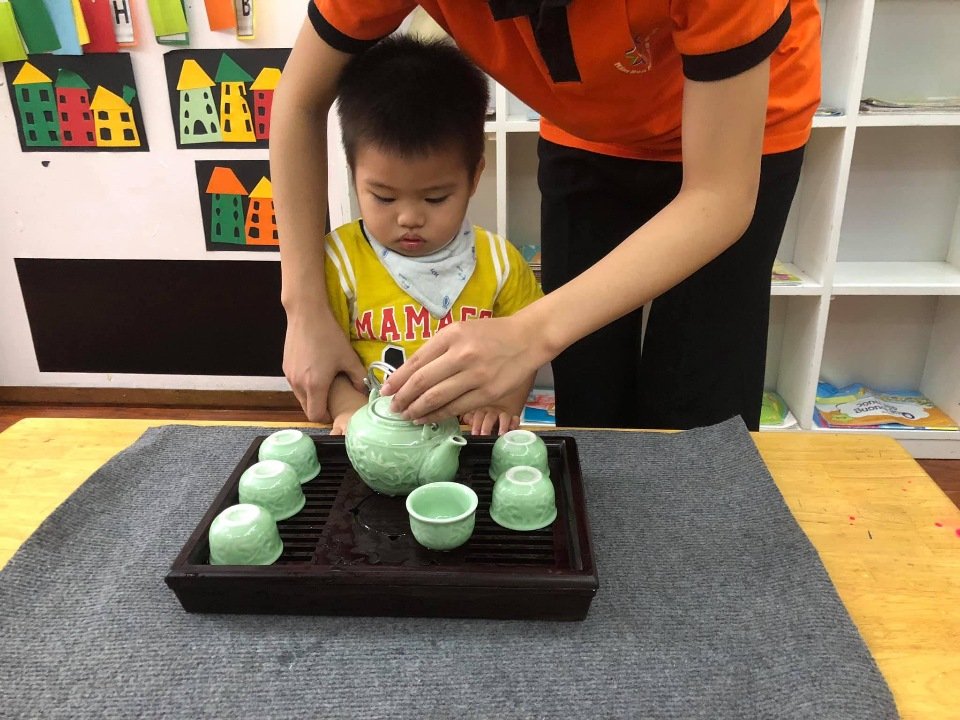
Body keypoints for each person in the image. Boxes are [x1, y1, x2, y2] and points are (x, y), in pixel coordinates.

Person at [271, 0, 821, 432]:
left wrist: (529, 335)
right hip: (585, 129)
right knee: (589, 389)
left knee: (702, 404)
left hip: (744, 125)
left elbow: (719, 196)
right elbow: (298, 98)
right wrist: (304, 309)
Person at [313, 35, 543, 435]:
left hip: (465, 440)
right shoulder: (339, 260)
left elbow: (525, 349)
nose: (409, 218)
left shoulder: (500, 263)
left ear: (474, 176)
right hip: (375, 437)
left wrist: (502, 404)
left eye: (435, 198)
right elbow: (325, 355)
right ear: (353, 174)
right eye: (384, 197)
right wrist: (349, 413)